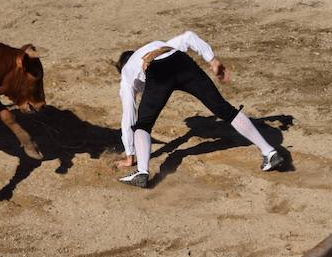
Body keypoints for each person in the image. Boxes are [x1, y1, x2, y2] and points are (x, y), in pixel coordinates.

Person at [115, 30, 283, 188]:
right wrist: (213, 61)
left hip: (157, 71)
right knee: (224, 109)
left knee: (143, 124)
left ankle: (142, 171)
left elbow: (128, 116)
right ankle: (269, 152)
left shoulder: (126, 74)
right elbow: (189, 36)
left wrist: (130, 155)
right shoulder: (158, 44)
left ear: (123, 66)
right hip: (181, 62)